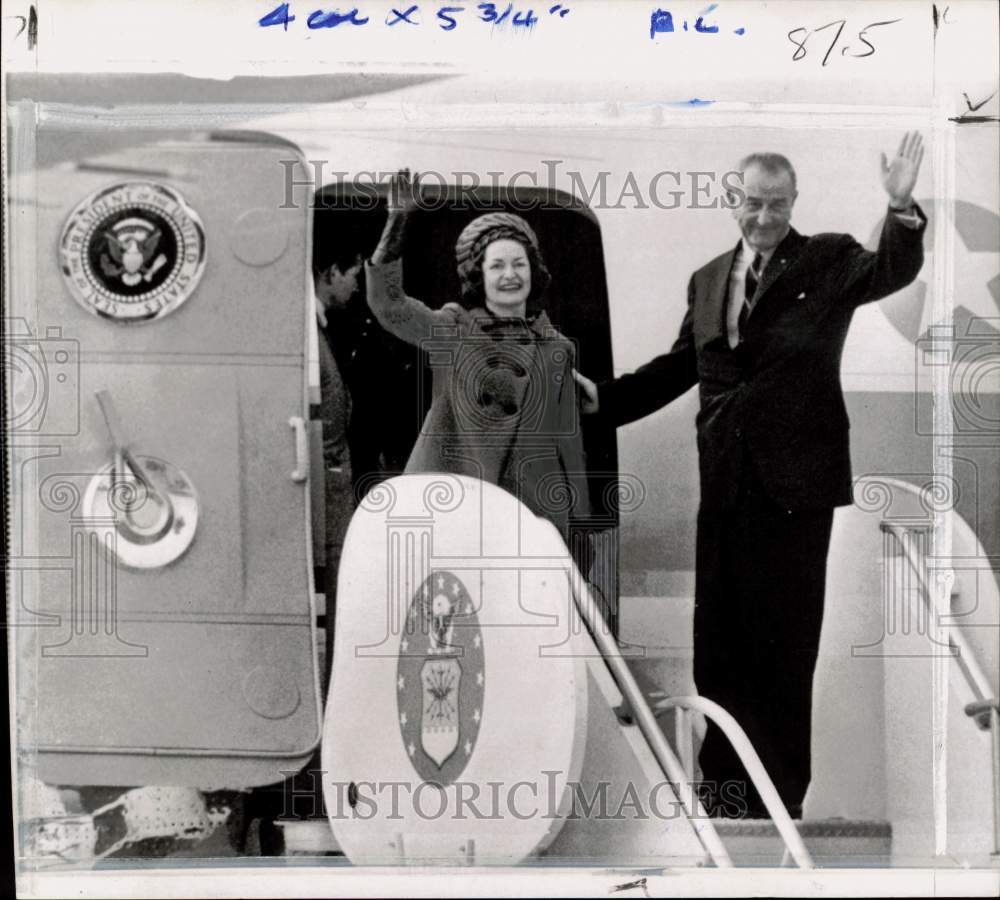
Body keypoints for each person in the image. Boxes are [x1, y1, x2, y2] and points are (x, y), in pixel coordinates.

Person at [574, 133, 927, 818]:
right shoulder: (708, 279)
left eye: (776, 204)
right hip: (727, 486)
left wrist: (901, 206)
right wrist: (603, 400)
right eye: (752, 203)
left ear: (793, 202)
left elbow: (891, 268)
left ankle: (779, 803)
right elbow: (682, 366)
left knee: (785, 652)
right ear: (733, 201)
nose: (763, 216)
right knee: (721, 649)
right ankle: (725, 796)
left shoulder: (825, 259)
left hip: (796, 492)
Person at [365, 170, 591, 545]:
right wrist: (398, 220)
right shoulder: (454, 330)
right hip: (458, 514)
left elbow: (568, 448)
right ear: (478, 275)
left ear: (533, 272)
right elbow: (390, 305)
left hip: (530, 519)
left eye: (519, 264)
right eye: (496, 265)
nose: (510, 275)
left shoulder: (557, 349)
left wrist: (576, 531)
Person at [313, 242, 426, 500]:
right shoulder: (315, 331)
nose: (356, 287)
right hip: (332, 476)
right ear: (332, 273)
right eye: (354, 275)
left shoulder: (324, 327)